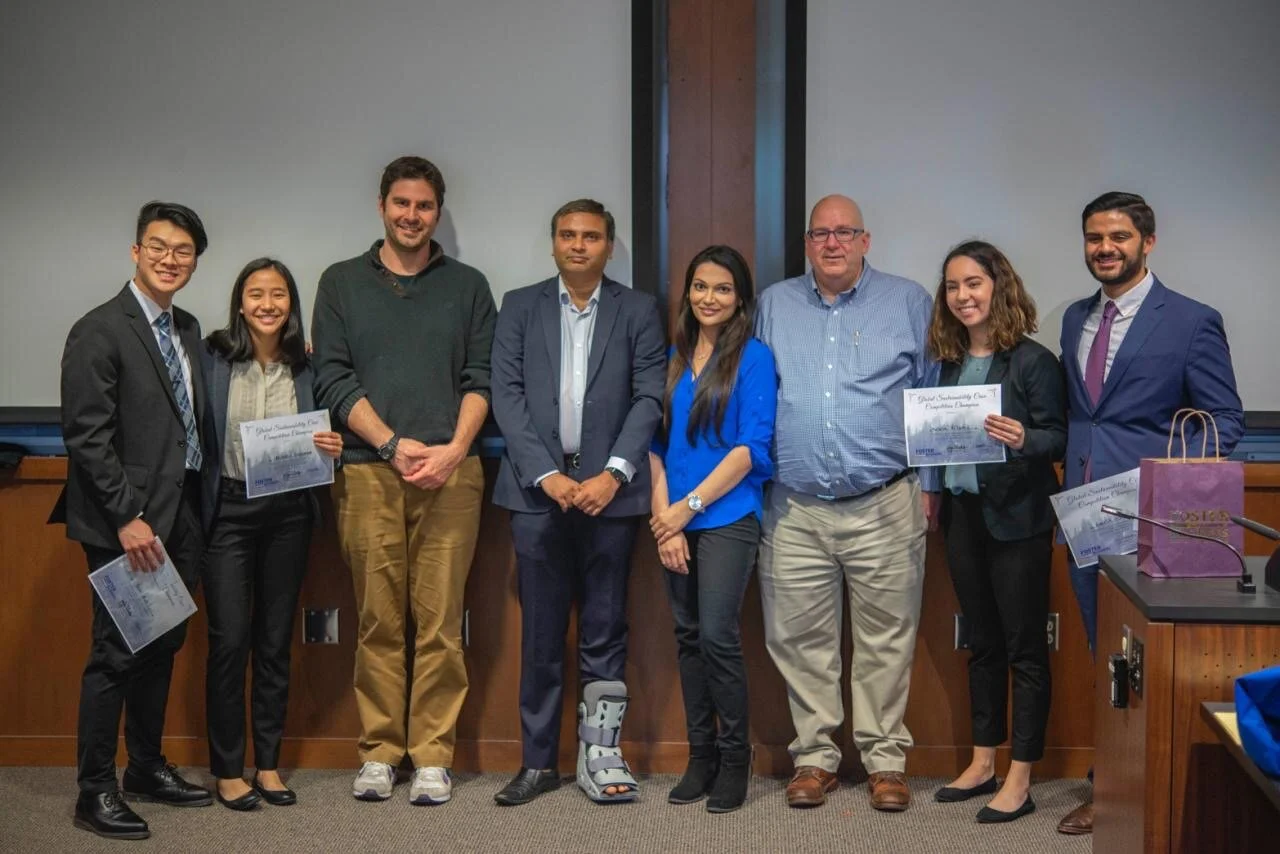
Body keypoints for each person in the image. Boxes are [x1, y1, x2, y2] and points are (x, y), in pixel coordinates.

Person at [1055, 191, 1243, 835]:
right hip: (1084, 516)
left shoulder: (1192, 320)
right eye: (1093, 238)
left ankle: (1151, 785)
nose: (1105, 248)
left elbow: (1225, 420)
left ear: (1148, 242)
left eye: (1119, 237)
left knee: (1153, 658)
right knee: (1101, 650)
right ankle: (1109, 782)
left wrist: (1157, 480)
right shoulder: (1074, 318)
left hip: (1159, 521)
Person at [311, 156, 497, 805]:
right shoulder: (339, 284)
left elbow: (482, 378)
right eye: (401, 204)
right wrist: (390, 444)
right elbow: (332, 377)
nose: (411, 216)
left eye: (423, 206)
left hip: (453, 474)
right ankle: (380, 752)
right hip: (367, 474)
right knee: (378, 620)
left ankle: (433, 756)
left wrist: (451, 451)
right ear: (382, 206)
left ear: (437, 212)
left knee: (442, 621)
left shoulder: (469, 286)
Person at [755, 194, 940, 813]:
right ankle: (814, 758)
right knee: (799, 638)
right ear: (807, 244)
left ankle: (886, 761)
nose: (831, 244)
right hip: (794, 507)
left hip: (885, 501)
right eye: (819, 234)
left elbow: (932, 400)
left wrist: (931, 486)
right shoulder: (775, 304)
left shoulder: (910, 302)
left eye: (844, 233)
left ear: (866, 240)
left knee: (888, 639)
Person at [489, 199, 665, 806]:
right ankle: (538, 764)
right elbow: (505, 398)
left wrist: (613, 474)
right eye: (568, 234)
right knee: (540, 634)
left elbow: (648, 399)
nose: (579, 245)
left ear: (610, 246)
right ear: (553, 242)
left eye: (591, 236)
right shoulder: (518, 306)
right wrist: (545, 475)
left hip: (610, 498)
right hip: (538, 497)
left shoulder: (639, 309)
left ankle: (599, 756)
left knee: (605, 631)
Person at [52, 201, 214, 840]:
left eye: (183, 251)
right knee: (116, 655)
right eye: (158, 247)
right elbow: (86, 435)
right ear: (135, 251)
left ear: (194, 261)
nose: (170, 259)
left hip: (183, 515)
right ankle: (95, 791)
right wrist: (127, 517)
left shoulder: (188, 327)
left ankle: (145, 768)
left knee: (161, 647)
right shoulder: (100, 328)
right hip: (128, 524)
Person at [925, 241, 1066, 824]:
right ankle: (983, 761)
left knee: (1024, 648)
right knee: (980, 643)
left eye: (975, 283)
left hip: (1019, 522)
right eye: (954, 286)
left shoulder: (1033, 361)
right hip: (963, 519)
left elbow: (1058, 436)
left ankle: (1021, 775)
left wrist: (1022, 439)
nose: (964, 296)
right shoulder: (949, 363)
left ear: (999, 287)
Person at [198, 258, 343, 810]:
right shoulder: (212, 359)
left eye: (278, 294)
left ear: (291, 303)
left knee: (275, 641)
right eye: (255, 293)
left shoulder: (307, 368)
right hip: (227, 512)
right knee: (230, 640)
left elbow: (328, 433)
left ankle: (268, 765)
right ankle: (227, 769)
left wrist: (329, 445)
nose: (267, 304)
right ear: (240, 302)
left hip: (287, 514)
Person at [649, 245, 776, 814]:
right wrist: (665, 522)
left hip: (727, 516)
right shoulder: (673, 356)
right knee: (687, 635)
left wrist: (688, 509)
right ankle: (700, 756)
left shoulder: (752, 358)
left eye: (722, 289)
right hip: (673, 521)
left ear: (740, 298)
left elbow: (751, 449)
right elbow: (654, 446)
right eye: (700, 286)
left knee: (718, 636)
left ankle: (733, 758)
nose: (708, 298)